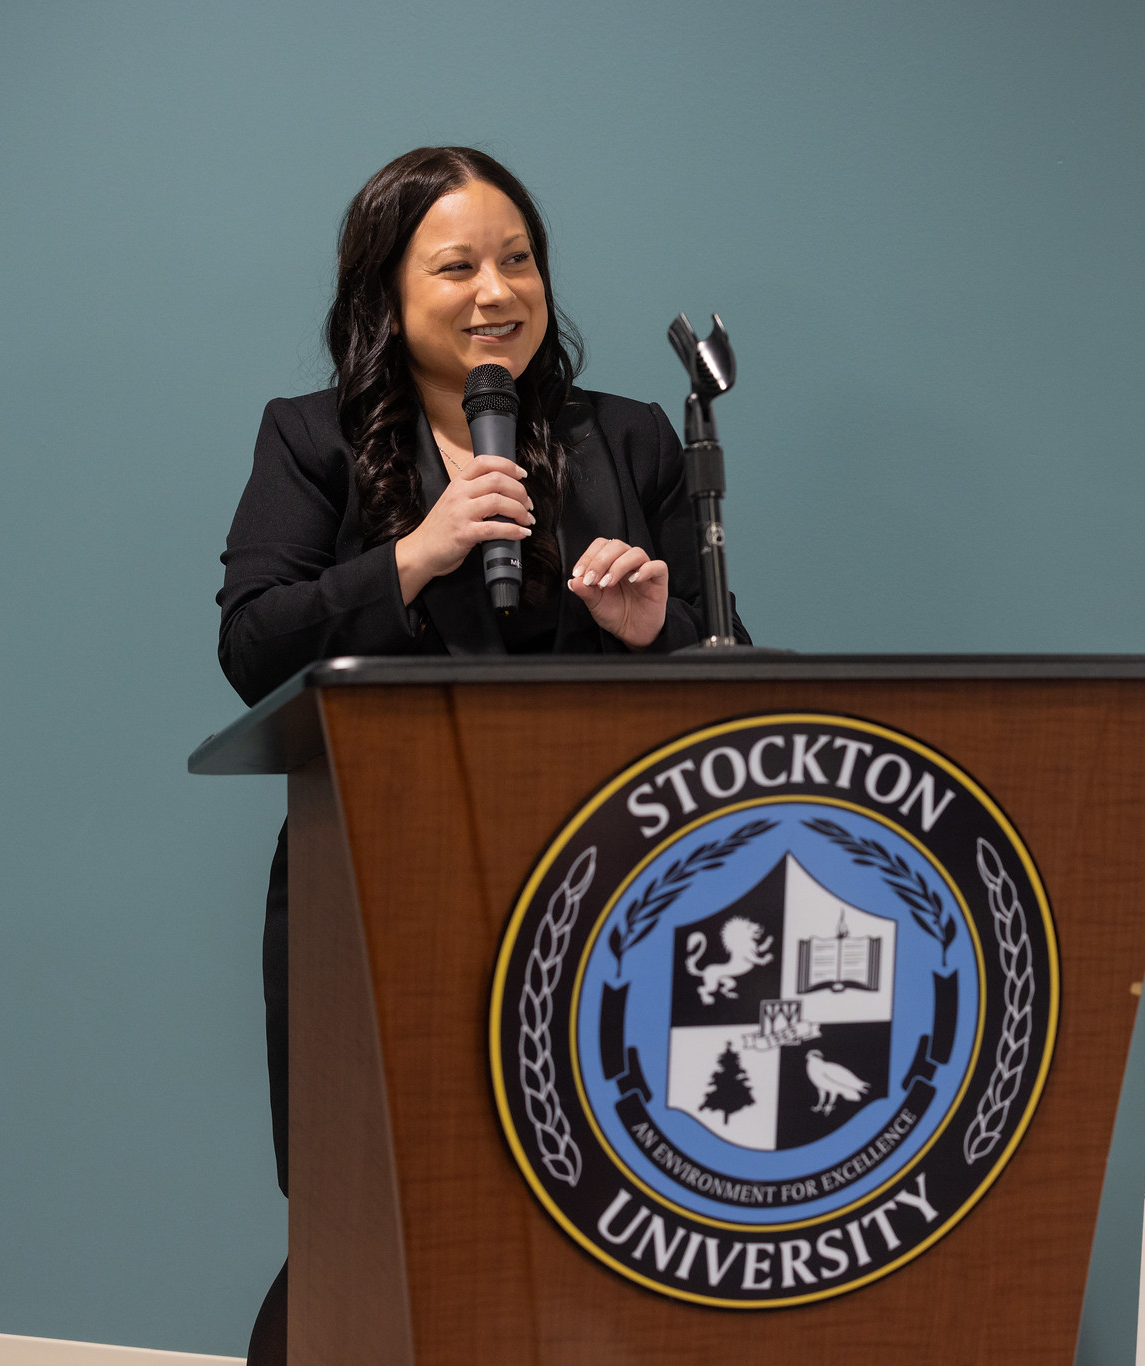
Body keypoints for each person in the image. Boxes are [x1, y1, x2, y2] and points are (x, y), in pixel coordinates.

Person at [215, 146, 746, 1363]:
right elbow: (253, 645)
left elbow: (728, 675)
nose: (495, 288)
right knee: (364, 1212)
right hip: (374, 883)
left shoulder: (631, 440)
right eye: (455, 264)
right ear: (386, 296)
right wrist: (414, 552)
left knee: (580, 1209)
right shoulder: (313, 442)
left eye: (518, 258)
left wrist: (650, 628)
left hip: (594, 891)